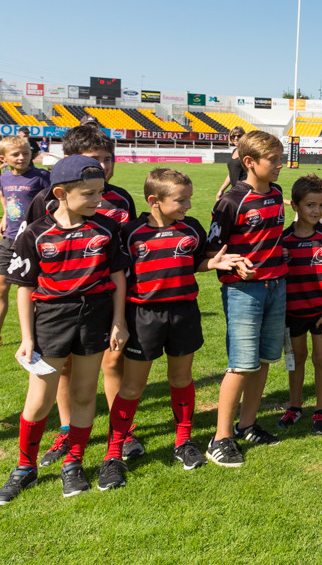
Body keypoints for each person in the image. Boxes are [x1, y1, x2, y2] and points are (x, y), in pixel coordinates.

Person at [0, 156, 129, 504]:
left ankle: (73, 463)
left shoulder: (105, 229)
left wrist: (118, 320)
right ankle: (25, 466)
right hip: (50, 319)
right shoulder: (35, 233)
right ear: (61, 193)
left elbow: (117, 277)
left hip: (94, 317)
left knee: (84, 395)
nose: (98, 200)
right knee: (38, 401)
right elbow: (24, 287)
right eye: (89, 193)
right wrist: (27, 337)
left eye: (100, 191)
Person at [99, 168, 244, 489]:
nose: (188, 205)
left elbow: (195, 262)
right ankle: (113, 454)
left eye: (188, 198)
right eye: (181, 200)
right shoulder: (131, 233)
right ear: (154, 201)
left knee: (180, 378)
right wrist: (119, 321)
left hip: (184, 313)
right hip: (143, 316)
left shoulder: (191, 228)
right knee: (132, 387)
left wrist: (213, 263)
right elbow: (118, 278)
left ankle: (184, 442)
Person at [23, 126, 139, 467]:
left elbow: (124, 253)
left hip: (107, 299)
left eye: (108, 159)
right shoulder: (48, 200)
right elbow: (35, 253)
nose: (103, 166)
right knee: (64, 366)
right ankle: (65, 427)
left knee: (113, 359)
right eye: (94, 160)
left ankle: (123, 430)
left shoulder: (120, 199)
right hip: (58, 305)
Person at [206, 130, 288, 466]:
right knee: (241, 364)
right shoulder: (230, 201)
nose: (280, 166)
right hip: (244, 292)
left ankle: (247, 424)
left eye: (281, 159)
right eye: (274, 160)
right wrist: (234, 266)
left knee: (265, 359)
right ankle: (220, 438)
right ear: (250, 162)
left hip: (275, 287)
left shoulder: (278, 192)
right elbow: (214, 249)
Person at [277, 174, 322, 434]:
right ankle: (295, 406)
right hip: (292, 315)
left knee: (320, 358)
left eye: (321, 205)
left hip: (320, 314)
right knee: (296, 360)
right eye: (310, 205)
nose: (316, 210)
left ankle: (321, 409)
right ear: (294, 205)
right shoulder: (282, 241)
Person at [0, 136, 49, 351]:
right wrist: (4, 218)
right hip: (9, 239)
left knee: (32, 290)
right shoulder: (5, 178)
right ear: (3, 158)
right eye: (15, 154)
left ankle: (38, 336)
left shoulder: (43, 177)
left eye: (25, 153)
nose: (21, 157)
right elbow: (9, 202)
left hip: (34, 241)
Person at [214, 127, 247, 202]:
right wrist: (221, 190)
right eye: (233, 136)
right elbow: (231, 173)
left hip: (244, 191)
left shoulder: (247, 151)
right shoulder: (234, 151)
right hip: (235, 189)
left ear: (244, 137)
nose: (236, 138)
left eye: (239, 136)